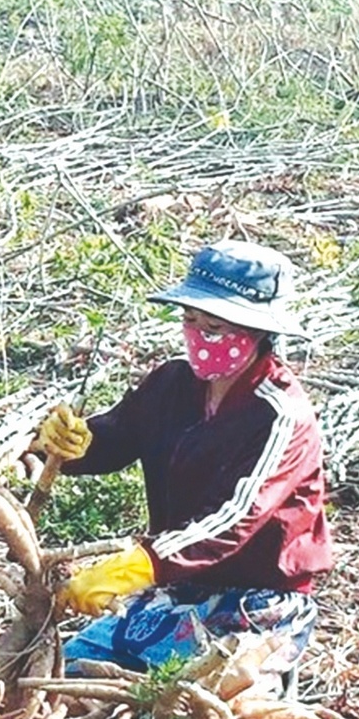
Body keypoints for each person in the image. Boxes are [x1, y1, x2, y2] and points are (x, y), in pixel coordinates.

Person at [35, 240, 332, 694]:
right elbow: (116, 437)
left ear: (256, 333)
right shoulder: (173, 383)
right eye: (192, 321)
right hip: (177, 589)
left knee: (196, 707)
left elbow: (233, 519)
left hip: (256, 603)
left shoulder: (280, 415)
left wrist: (140, 564)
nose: (201, 336)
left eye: (217, 326)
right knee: (68, 676)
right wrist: (73, 444)